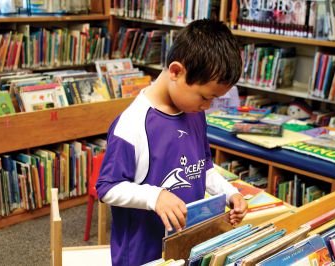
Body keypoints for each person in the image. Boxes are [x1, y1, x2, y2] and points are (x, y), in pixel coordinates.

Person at [96, 19, 248, 266]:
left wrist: (230, 193)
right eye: (205, 97)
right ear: (176, 71)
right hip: (143, 255)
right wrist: (154, 196)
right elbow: (107, 188)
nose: (207, 106)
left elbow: (202, 168)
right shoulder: (132, 124)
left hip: (186, 245)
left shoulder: (194, 112)